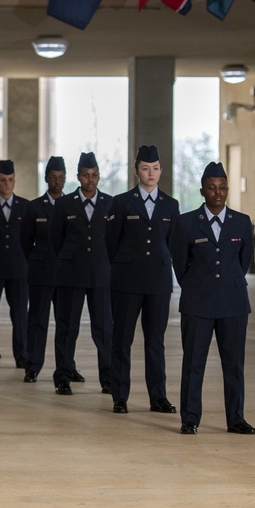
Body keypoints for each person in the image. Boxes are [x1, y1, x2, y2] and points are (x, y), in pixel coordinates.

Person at [169, 162, 255, 436]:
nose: (218, 193)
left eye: (222, 188)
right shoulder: (185, 222)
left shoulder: (241, 222)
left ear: (227, 190)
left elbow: (243, 264)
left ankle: (236, 419)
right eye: (211, 188)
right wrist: (198, 286)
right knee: (194, 362)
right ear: (202, 191)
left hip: (233, 304)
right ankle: (190, 418)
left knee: (234, 364)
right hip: (198, 303)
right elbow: (180, 264)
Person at [105, 145, 180, 415]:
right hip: (126, 282)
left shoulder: (171, 205)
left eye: (156, 168)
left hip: (158, 282)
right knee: (122, 339)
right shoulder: (122, 202)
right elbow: (111, 242)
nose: (151, 173)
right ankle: (120, 396)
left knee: (155, 341)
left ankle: (158, 397)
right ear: (136, 171)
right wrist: (127, 265)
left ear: (161, 170)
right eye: (146, 168)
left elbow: (173, 244)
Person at [50, 152, 113, 396]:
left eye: (94, 175)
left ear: (98, 176)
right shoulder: (65, 204)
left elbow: (113, 239)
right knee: (67, 327)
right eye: (86, 175)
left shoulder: (109, 203)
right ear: (78, 177)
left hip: (100, 274)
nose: (90, 180)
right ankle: (63, 377)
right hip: (71, 273)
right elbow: (56, 238)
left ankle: (108, 378)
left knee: (103, 328)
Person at [20, 156, 70, 384]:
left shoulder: (72, 205)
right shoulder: (33, 207)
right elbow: (25, 241)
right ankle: (32, 366)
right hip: (40, 273)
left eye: (61, 178)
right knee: (38, 321)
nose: (57, 182)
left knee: (66, 323)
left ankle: (67, 367)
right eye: (53, 178)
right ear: (46, 178)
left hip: (65, 276)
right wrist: (37, 260)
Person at [0, 160, 29, 369]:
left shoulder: (25, 206)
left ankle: (22, 356)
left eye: (10, 180)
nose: (7, 184)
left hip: (19, 269)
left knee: (19, 314)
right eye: (2, 180)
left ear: (14, 181)